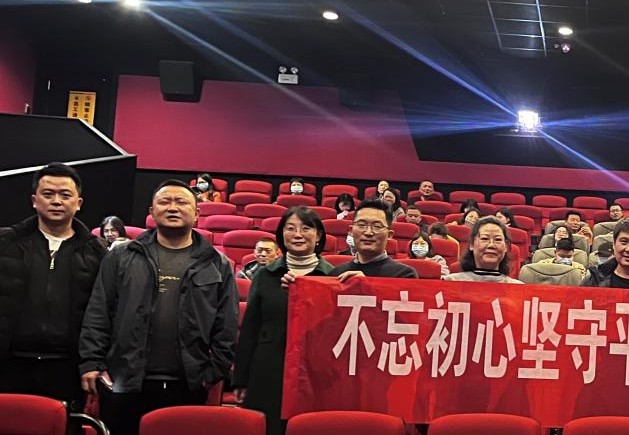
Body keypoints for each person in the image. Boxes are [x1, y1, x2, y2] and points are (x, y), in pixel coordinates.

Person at [79, 180, 238, 435]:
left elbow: (226, 324)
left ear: (197, 213)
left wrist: (212, 373)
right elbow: (99, 311)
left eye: (181, 202)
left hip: (189, 382)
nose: (173, 207)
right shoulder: (122, 256)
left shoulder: (217, 263)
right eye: (165, 202)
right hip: (126, 379)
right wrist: (91, 361)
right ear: (152, 212)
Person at [0, 164, 107, 413]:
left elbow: (103, 313)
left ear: (78, 203)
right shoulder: (5, 243)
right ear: (34, 201)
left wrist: (93, 361)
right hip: (8, 363)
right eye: (48, 194)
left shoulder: (97, 252)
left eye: (65, 195)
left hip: (68, 368)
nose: (56, 201)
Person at [233, 206, 335, 435]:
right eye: (290, 228)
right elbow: (250, 327)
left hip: (315, 372)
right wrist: (241, 378)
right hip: (268, 366)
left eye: (306, 228)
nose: (297, 234)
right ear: (281, 234)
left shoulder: (332, 276)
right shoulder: (264, 274)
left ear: (318, 235)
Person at [331, 200, 416, 279]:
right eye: (361, 225)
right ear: (351, 231)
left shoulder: (404, 275)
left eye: (377, 226)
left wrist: (365, 284)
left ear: (389, 235)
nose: (368, 232)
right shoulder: (336, 274)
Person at [446, 217, 522, 283]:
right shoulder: (451, 282)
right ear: (472, 244)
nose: (491, 245)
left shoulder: (518, 288)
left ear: (506, 247)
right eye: (484, 239)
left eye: (498, 239)